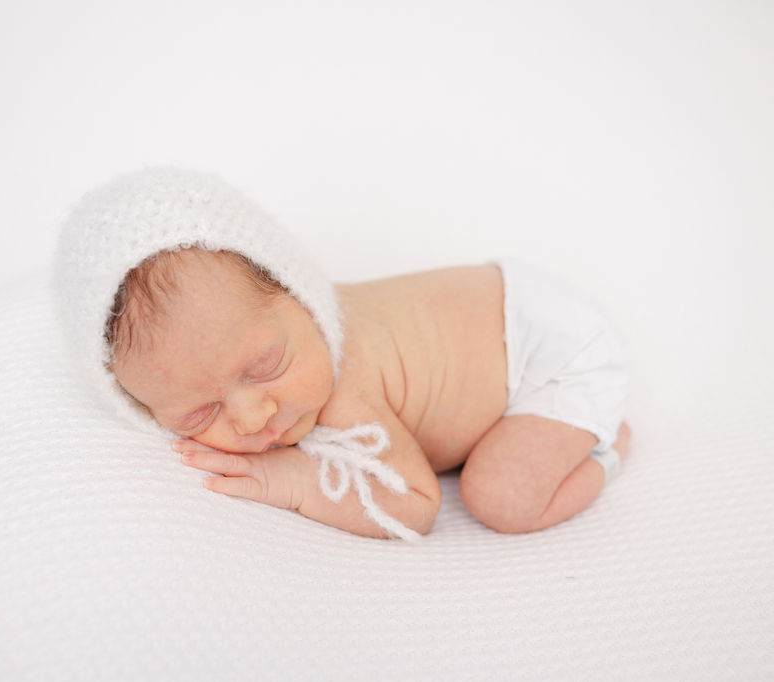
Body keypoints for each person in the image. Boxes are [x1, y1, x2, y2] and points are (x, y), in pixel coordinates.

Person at [53, 167, 631, 541]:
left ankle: (604, 443)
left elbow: (417, 503)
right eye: (200, 415)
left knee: (500, 498)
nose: (256, 418)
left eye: (265, 368)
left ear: (300, 293)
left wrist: (298, 482)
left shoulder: (344, 389)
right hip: (496, 304)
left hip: (550, 348)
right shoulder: (269, 331)